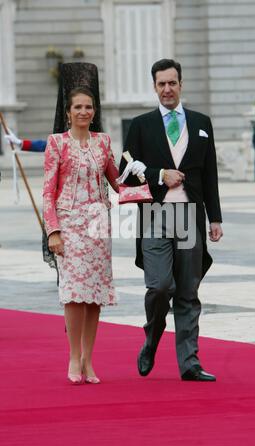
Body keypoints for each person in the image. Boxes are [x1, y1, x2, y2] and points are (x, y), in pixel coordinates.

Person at [119, 58, 223, 382]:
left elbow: (210, 176)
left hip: (190, 215)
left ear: (181, 84)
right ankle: (152, 338)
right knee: (160, 285)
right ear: (154, 87)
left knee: (188, 291)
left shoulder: (201, 122)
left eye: (172, 83)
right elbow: (125, 175)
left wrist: (215, 218)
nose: (167, 89)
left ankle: (189, 362)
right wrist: (159, 175)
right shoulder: (140, 125)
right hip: (155, 214)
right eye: (161, 84)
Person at [43, 85, 119, 385]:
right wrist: (53, 231)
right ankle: (74, 356)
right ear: (68, 112)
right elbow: (48, 191)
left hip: (98, 224)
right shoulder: (57, 143)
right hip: (69, 223)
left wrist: (145, 181)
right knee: (75, 293)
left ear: (94, 111)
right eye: (78, 107)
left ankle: (89, 358)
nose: (84, 112)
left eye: (88, 107)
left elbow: (117, 181)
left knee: (94, 296)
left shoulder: (103, 142)